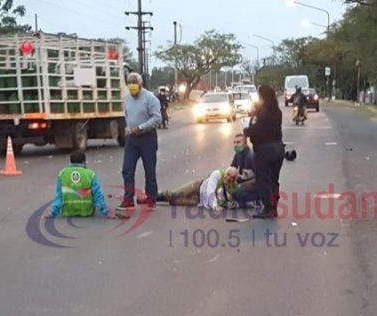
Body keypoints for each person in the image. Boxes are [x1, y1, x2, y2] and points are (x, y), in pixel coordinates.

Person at [117, 73, 163, 211]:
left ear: (140, 84)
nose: (132, 87)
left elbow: (157, 119)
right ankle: (128, 198)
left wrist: (141, 127)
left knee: (149, 170)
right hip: (132, 138)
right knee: (127, 169)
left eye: (134, 83)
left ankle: (151, 197)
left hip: (147, 138)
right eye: (129, 84)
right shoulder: (127, 98)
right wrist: (128, 128)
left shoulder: (150, 98)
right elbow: (127, 115)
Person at [244, 84, 285, 218]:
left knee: (264, 179)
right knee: (274, 179)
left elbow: (253, 130)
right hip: (278, 148)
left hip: (264, 149)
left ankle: (268, 208)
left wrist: (246, 130)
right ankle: (274, 207)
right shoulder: (278, 111)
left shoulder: (261, 112)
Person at [46, 150, 114, 219]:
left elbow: (59, 195)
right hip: (86, 211)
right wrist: (106, 212)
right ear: (84, 162)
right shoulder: (90, 174)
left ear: (70, 162)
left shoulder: (62, 174)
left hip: (68, 211)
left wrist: (52, 213)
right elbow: (97, 194)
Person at [156, 167, 239, 210]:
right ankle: (153, 196)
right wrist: (215, 206)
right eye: (228, 175)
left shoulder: (233, 187)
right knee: (173, 194)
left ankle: (156, 197)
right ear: (225, 172)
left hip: (199, 201)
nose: (229, 178)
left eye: (232, 177)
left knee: (175, 202)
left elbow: (233, 201)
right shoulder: (217, 174)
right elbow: (210, 190)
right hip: (198, 187)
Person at [229, 133, 260, 208]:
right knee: (228, 189)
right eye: (235, 142)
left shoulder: (251, 157)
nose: (236, 145)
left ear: (245, 144)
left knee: (237, 193)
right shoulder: (238, 154)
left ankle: (256, 200)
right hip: (244, 183)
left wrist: (242, 185)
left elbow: (260, 178)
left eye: (239, 142)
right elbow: (231, 169)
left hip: (256, 185)